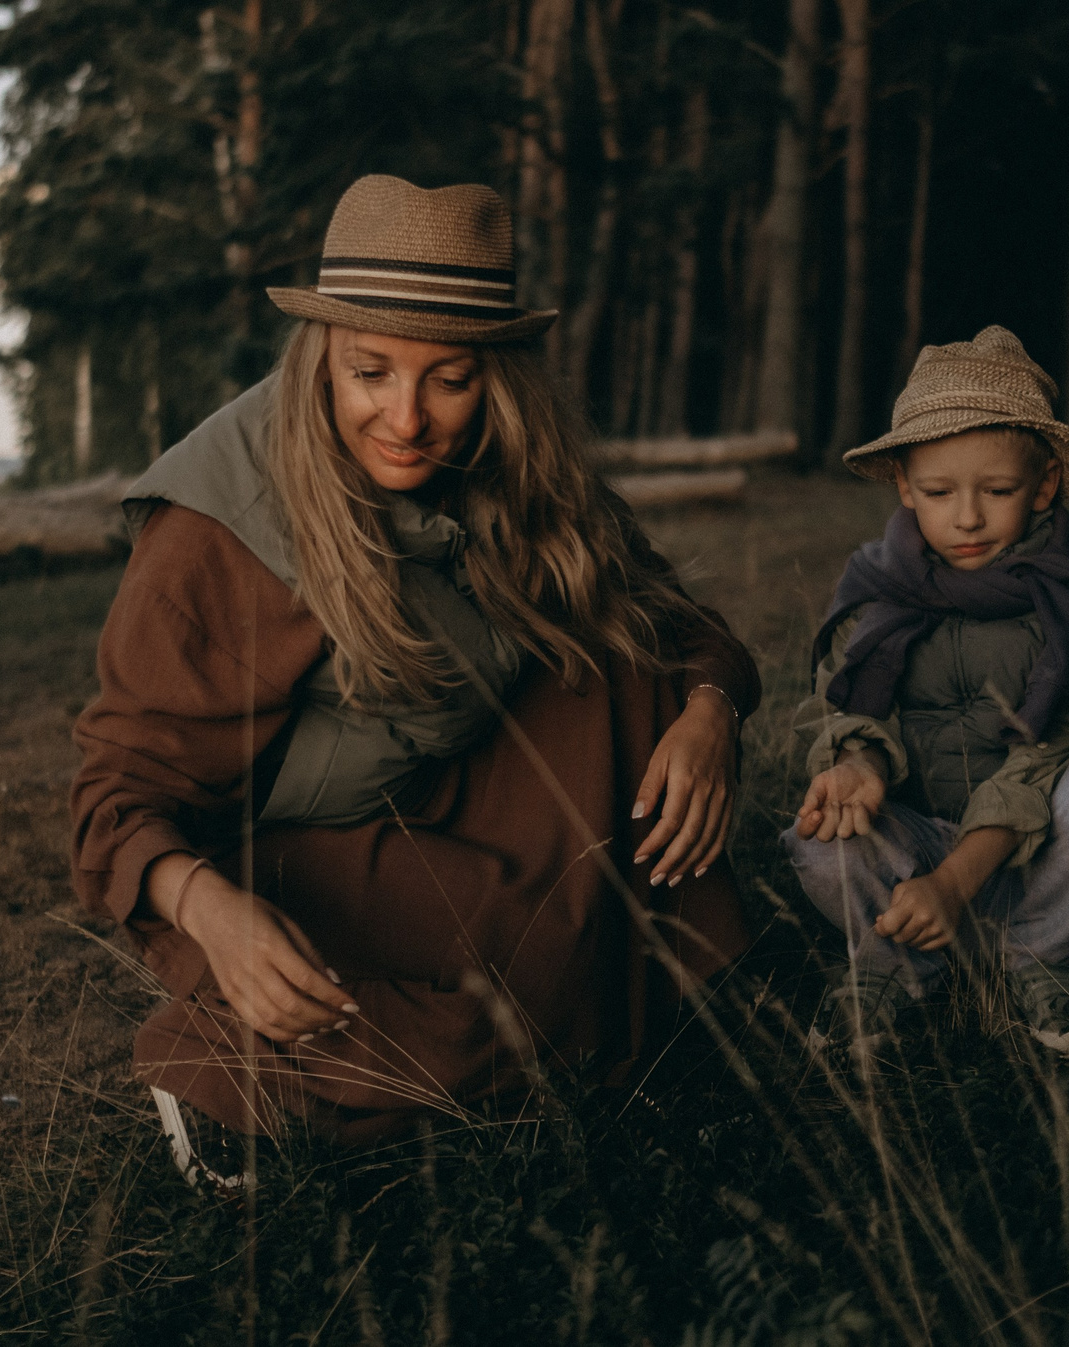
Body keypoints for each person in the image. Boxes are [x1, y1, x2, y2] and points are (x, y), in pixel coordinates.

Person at [70, 174, 757, 1187]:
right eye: (370, 372)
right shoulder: (222, 525)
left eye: (450, 377)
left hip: (442, 792)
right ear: (320, 362)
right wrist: (209, 909)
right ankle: (220, 1069)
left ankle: (608, 988)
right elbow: (112, 797)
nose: (407, 418)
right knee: (495, 1023)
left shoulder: (516, 465)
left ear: (497, 380)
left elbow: (663, 609)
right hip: (279, 862)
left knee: (617, 661)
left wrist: (710, 709)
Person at [782, 326, 1069, 1058]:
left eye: (997, 491)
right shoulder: (874, 591)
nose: (966, 517)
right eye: (938, 492)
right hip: (918, 846)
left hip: (1034, 855)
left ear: (1045, 485)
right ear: (904, 483)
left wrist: (957, 884)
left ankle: (1047, 955)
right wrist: (858, 766)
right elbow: (846, 708)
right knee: (820, 836)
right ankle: (893, 959)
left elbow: (1052, 751)